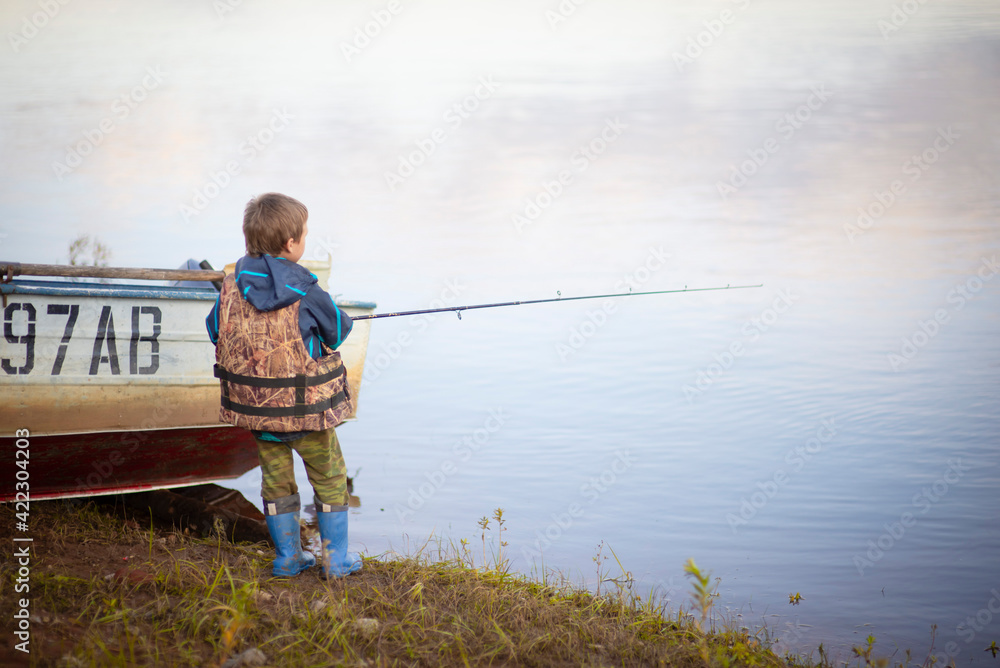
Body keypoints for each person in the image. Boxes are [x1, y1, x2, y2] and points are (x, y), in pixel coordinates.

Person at [205, 192, 361, 579]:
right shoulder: (307, 290)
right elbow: (339, 331)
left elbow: (215, 331)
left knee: (276, 480)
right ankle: (335, 560)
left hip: (259, 413)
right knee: (329, 477)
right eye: (305, 235)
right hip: (306, 413)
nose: (305, 241)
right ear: (291, 243)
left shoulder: (229, 286)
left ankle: (288, 558)